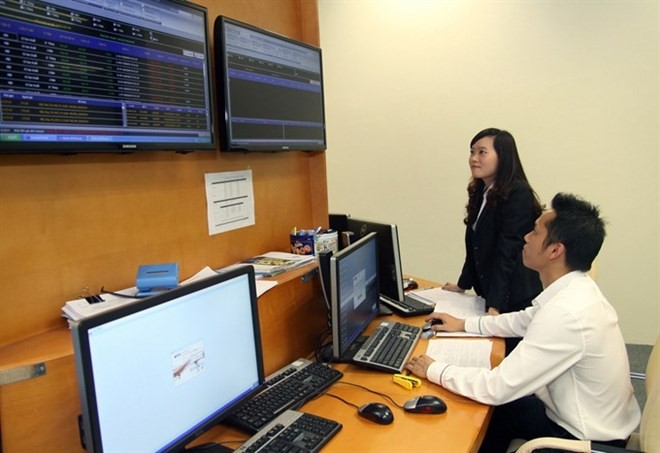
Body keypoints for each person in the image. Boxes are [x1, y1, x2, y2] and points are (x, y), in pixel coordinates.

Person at [406, 193, 641, 452]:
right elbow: (523, 321)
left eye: (535, 232)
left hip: (580, 438)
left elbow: (496, 387)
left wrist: (433, 369)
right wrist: (465, 324)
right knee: (489, 414)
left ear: (555, 250)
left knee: (477, 409)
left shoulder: (566, 314)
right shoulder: (576, 289)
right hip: (583, 416)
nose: (526, 237)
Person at [443, 128, 543, 353]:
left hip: (513, 294)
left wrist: (495, 305)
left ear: (503, 157)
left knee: (506, 360)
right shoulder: (483, 189)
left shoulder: (518, 193)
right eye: (472, 152)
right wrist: (463, 284)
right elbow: (476, 245)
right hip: (492, 290)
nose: (474, 159)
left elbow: (507, 251)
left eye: (482, 152)